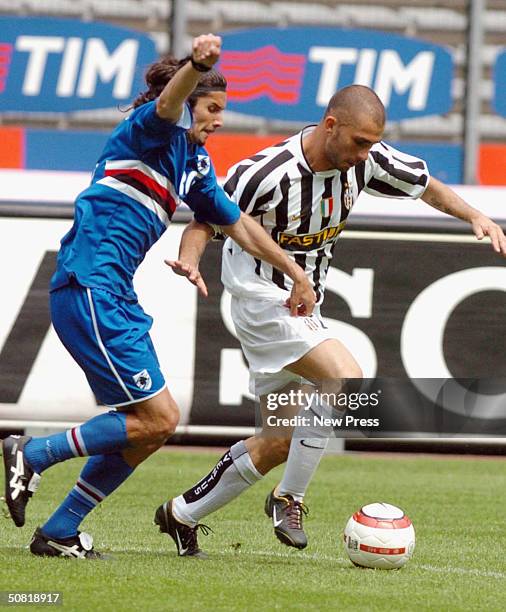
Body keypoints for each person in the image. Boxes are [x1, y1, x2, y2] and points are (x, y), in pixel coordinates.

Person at [155, 84, 506, 558]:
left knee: (277, 440)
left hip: (304, 305)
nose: (366, 154)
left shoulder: (365, 160)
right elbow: (204, 219)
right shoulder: (265, 172)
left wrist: (475, 216)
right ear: (330, 126)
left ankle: (180, 514)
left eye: (372, 144)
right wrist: (190, 259)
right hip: (261, 298)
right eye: (360, 142)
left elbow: (425, 186)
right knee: (346, 376)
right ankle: (288, 498)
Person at [1, 34, 316, 559]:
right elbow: (169, 104)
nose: (220, 120)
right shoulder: (149, 131)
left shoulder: (194, 165)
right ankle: (31, 453)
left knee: (148, 430)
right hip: (89, 285)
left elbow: (238, 224)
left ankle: (59, 531)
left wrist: (295, 273)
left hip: (113, 295)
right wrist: (196, 65)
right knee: (160, 417)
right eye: (212, 108)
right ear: (189, 99)